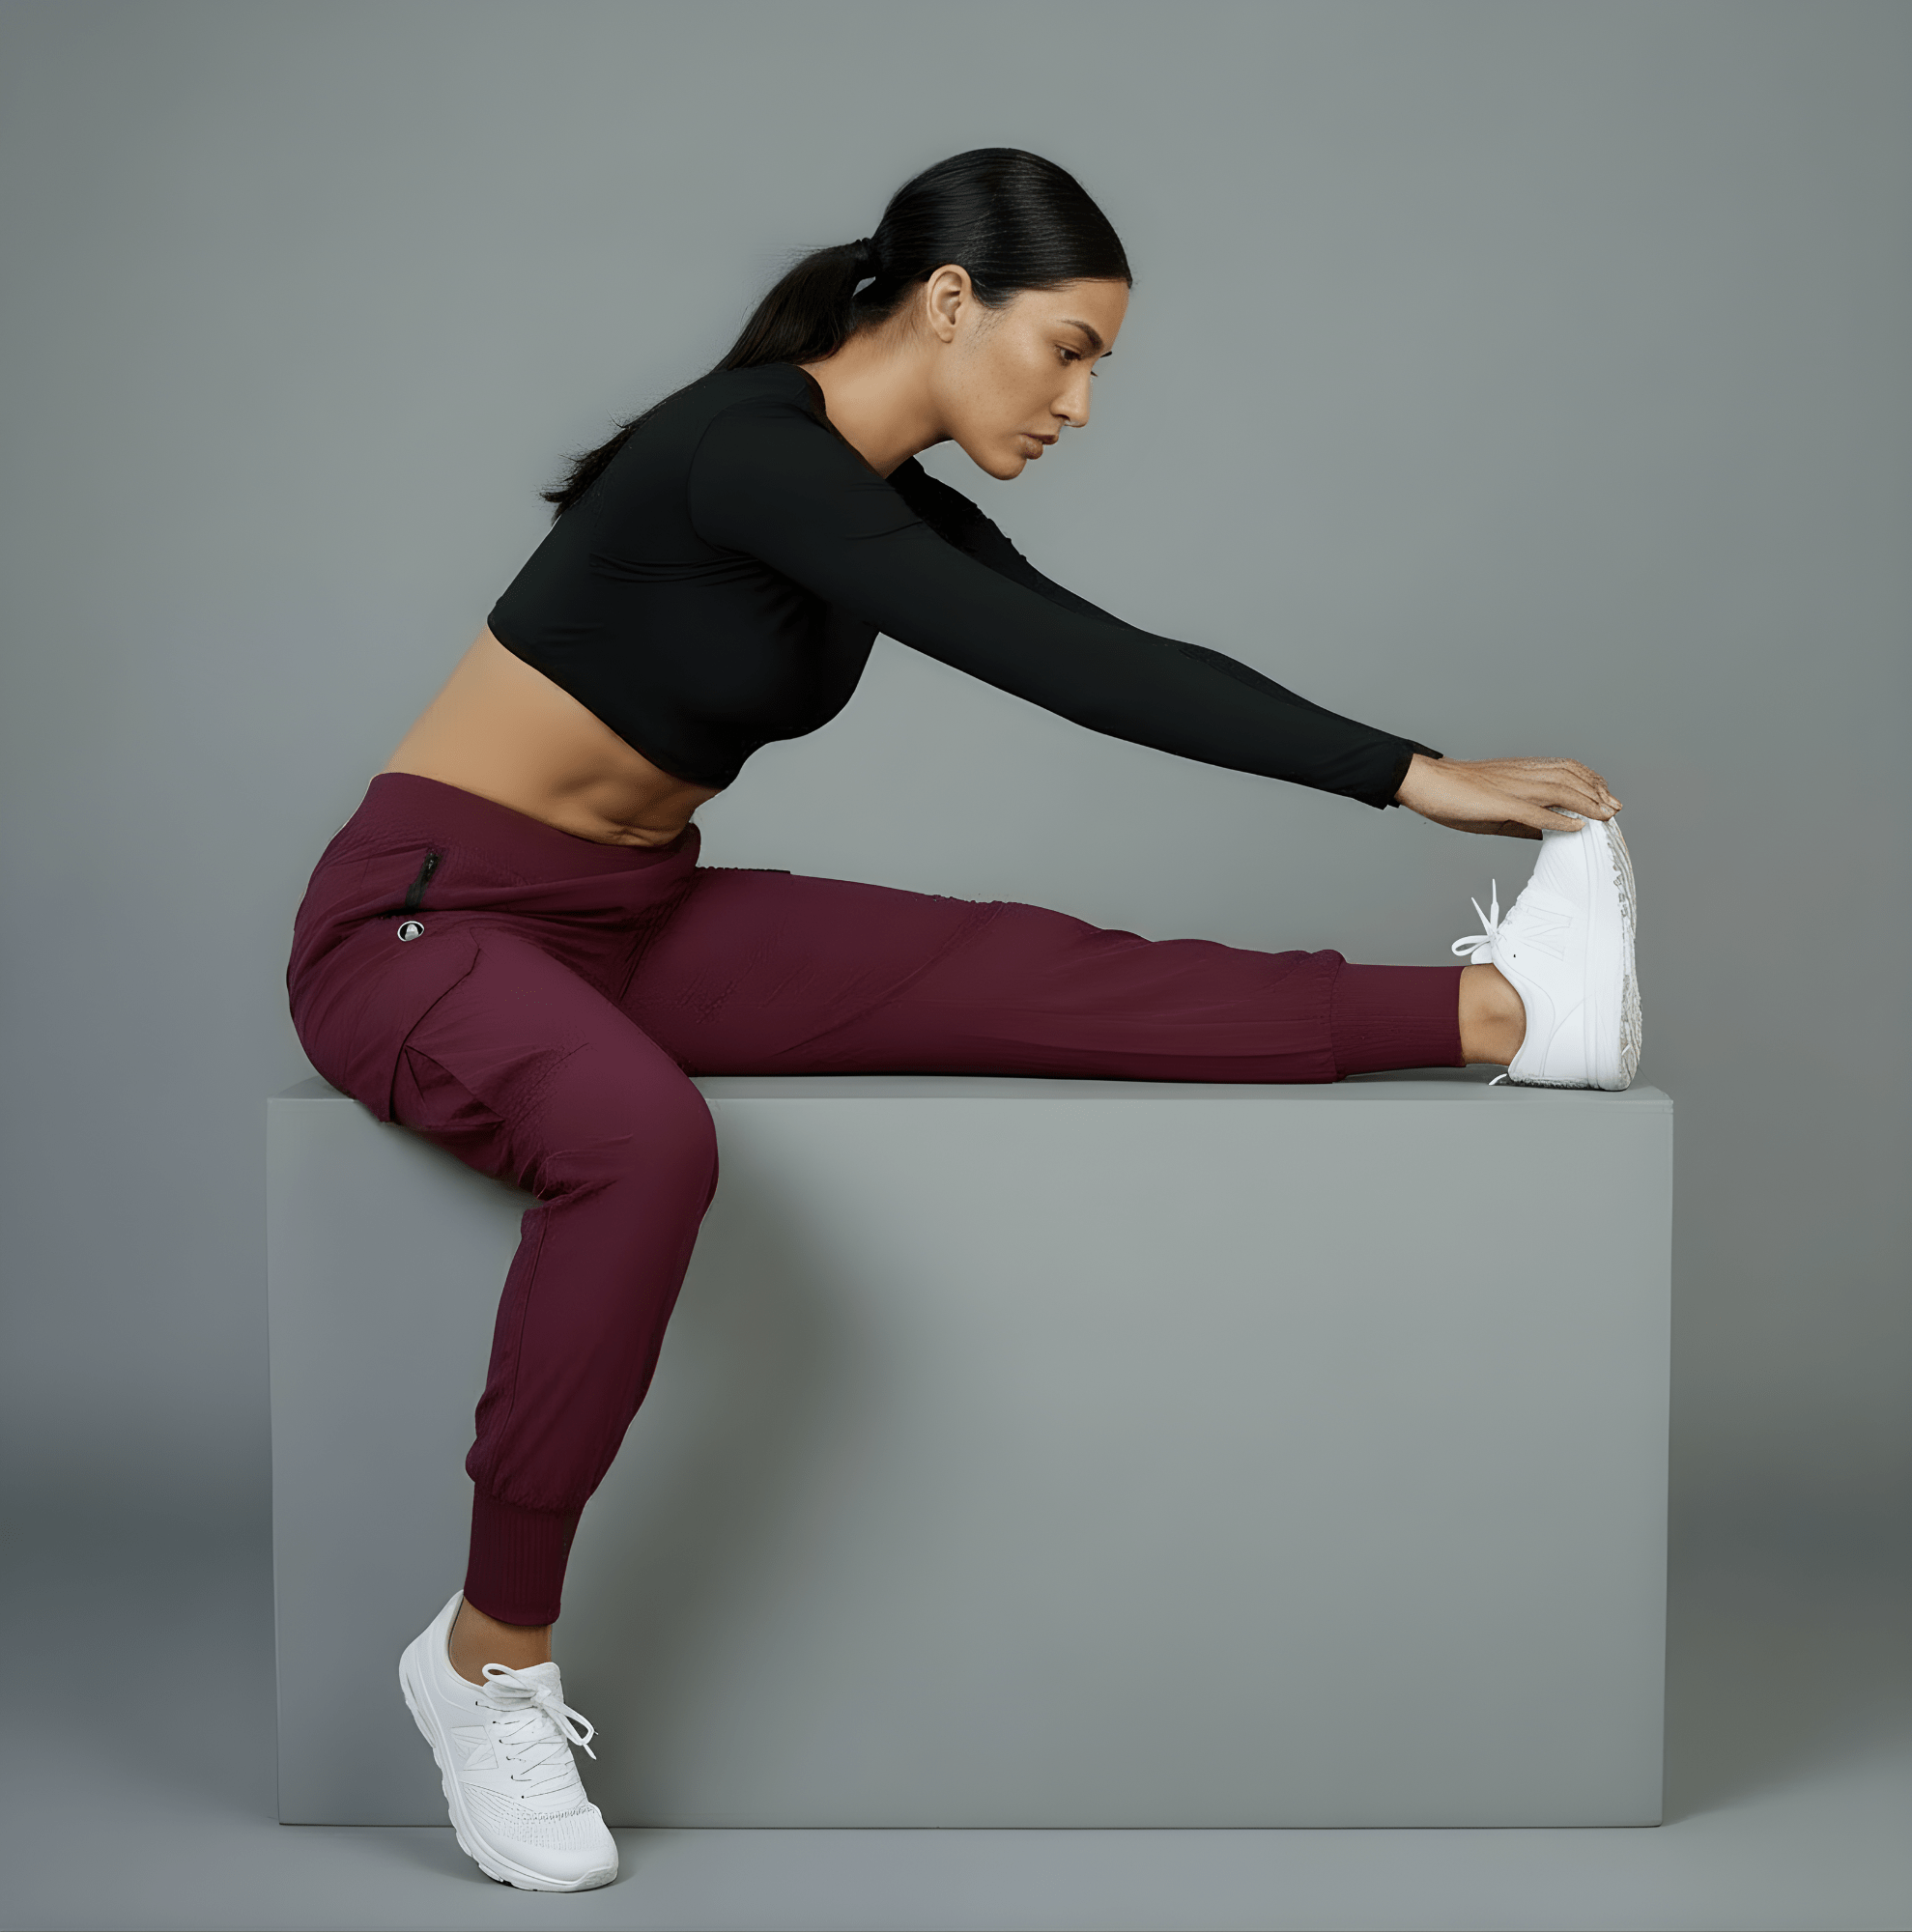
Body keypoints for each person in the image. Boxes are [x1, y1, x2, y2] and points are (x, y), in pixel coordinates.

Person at [285, 147, 1638, 1893]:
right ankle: (489, 1663)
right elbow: (1073, 676)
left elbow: (1094, 637)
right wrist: (1413, 778)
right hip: (420, 925)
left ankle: (1508, 1016)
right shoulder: (749, 452)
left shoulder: (876, 497)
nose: (1081, 403)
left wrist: (1404, 777)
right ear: (945, 303)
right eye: (1066, 350)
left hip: (628, 918)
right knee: (640, 1139)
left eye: (1098, 369)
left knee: (1018, 966)